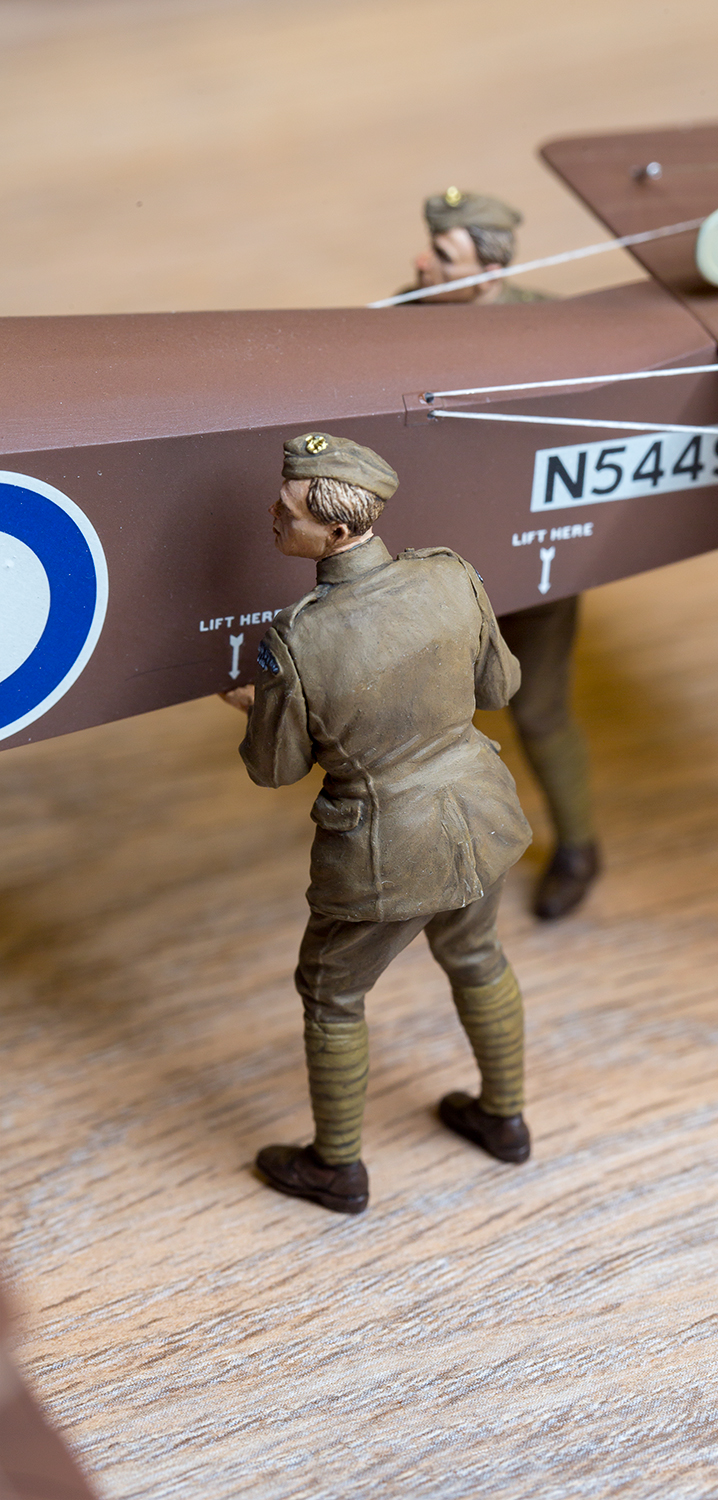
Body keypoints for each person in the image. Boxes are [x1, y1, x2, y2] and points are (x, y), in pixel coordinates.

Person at [227, 432, 534, 1216]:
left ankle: (336, 1167)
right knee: (477, 955)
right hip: (479, 814)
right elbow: (499, 686)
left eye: (289, 510)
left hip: (384, 851)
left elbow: (275, 769)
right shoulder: (451, 575)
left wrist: (264, 708)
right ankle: (504, 1118)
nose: (275, 515)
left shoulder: (299, 637)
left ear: (337, 531)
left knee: (330, 992)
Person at [400, 187, 601, 920]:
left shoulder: (551, 330)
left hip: (531, 556)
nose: (421, 262)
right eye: (430, 247)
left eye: (442, 255)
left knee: (540, 711)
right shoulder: (397, 323)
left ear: (490, 274)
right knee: (422, 720)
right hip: (436, 566)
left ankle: (579, 847)